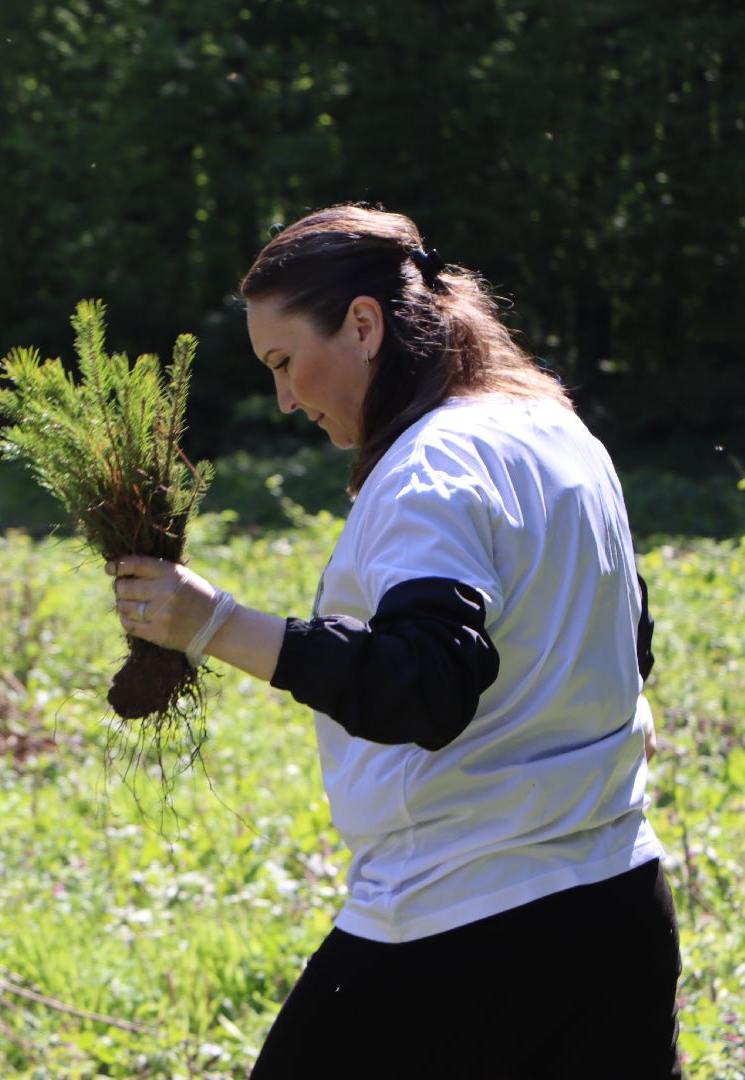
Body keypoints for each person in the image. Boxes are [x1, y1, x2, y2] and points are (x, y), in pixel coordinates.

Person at [108, 205, 680, 1078]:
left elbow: (425, 682)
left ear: (365, 325)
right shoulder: (560, 433)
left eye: (286, 363)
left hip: (460, 921)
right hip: (621, 907)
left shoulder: (432, 463)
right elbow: (628, 638)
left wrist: (210, 624)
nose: (286, 400)